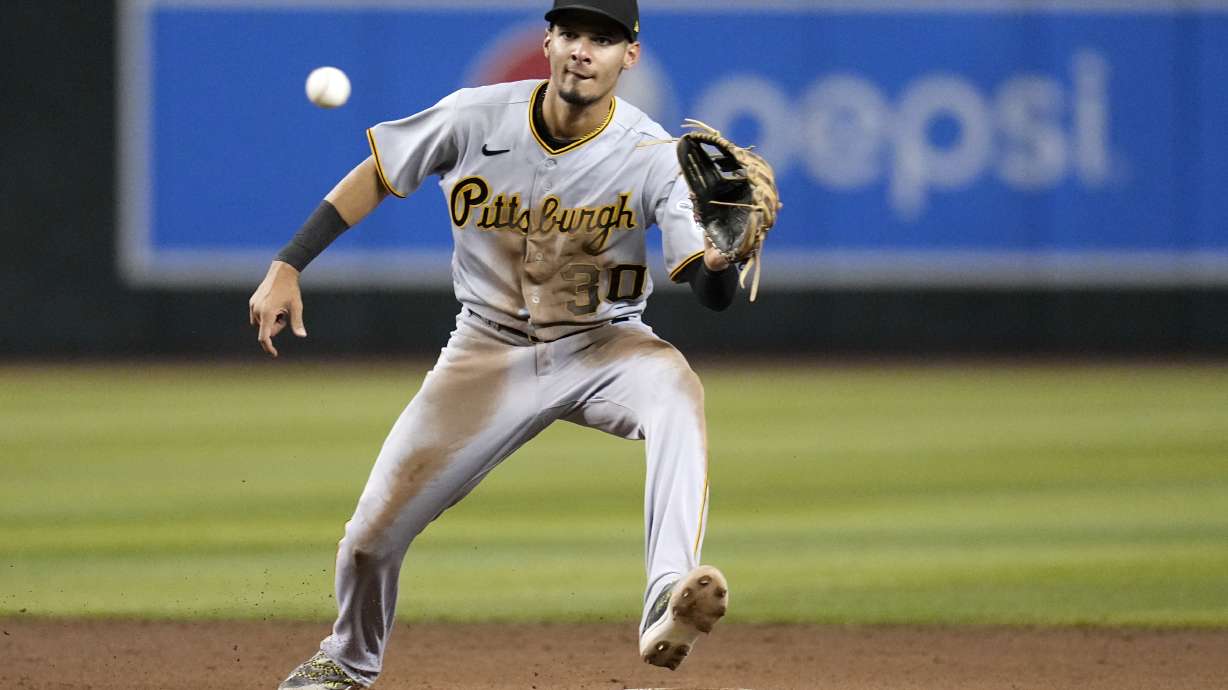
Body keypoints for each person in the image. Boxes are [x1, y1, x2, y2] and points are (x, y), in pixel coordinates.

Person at [250, 1, 743, 687]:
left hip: (603, 346)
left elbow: (709, 291)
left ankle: (666, 593)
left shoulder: (654, 156)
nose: (582, 50)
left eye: (603, 40)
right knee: (368, 543)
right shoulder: (475, 115)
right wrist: (289, 263)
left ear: (629, 56)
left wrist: (726, 261)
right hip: (485, 350)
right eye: (571, 34)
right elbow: (377, 173)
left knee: (675, 390)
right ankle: (347, 663)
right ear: (548, 41)